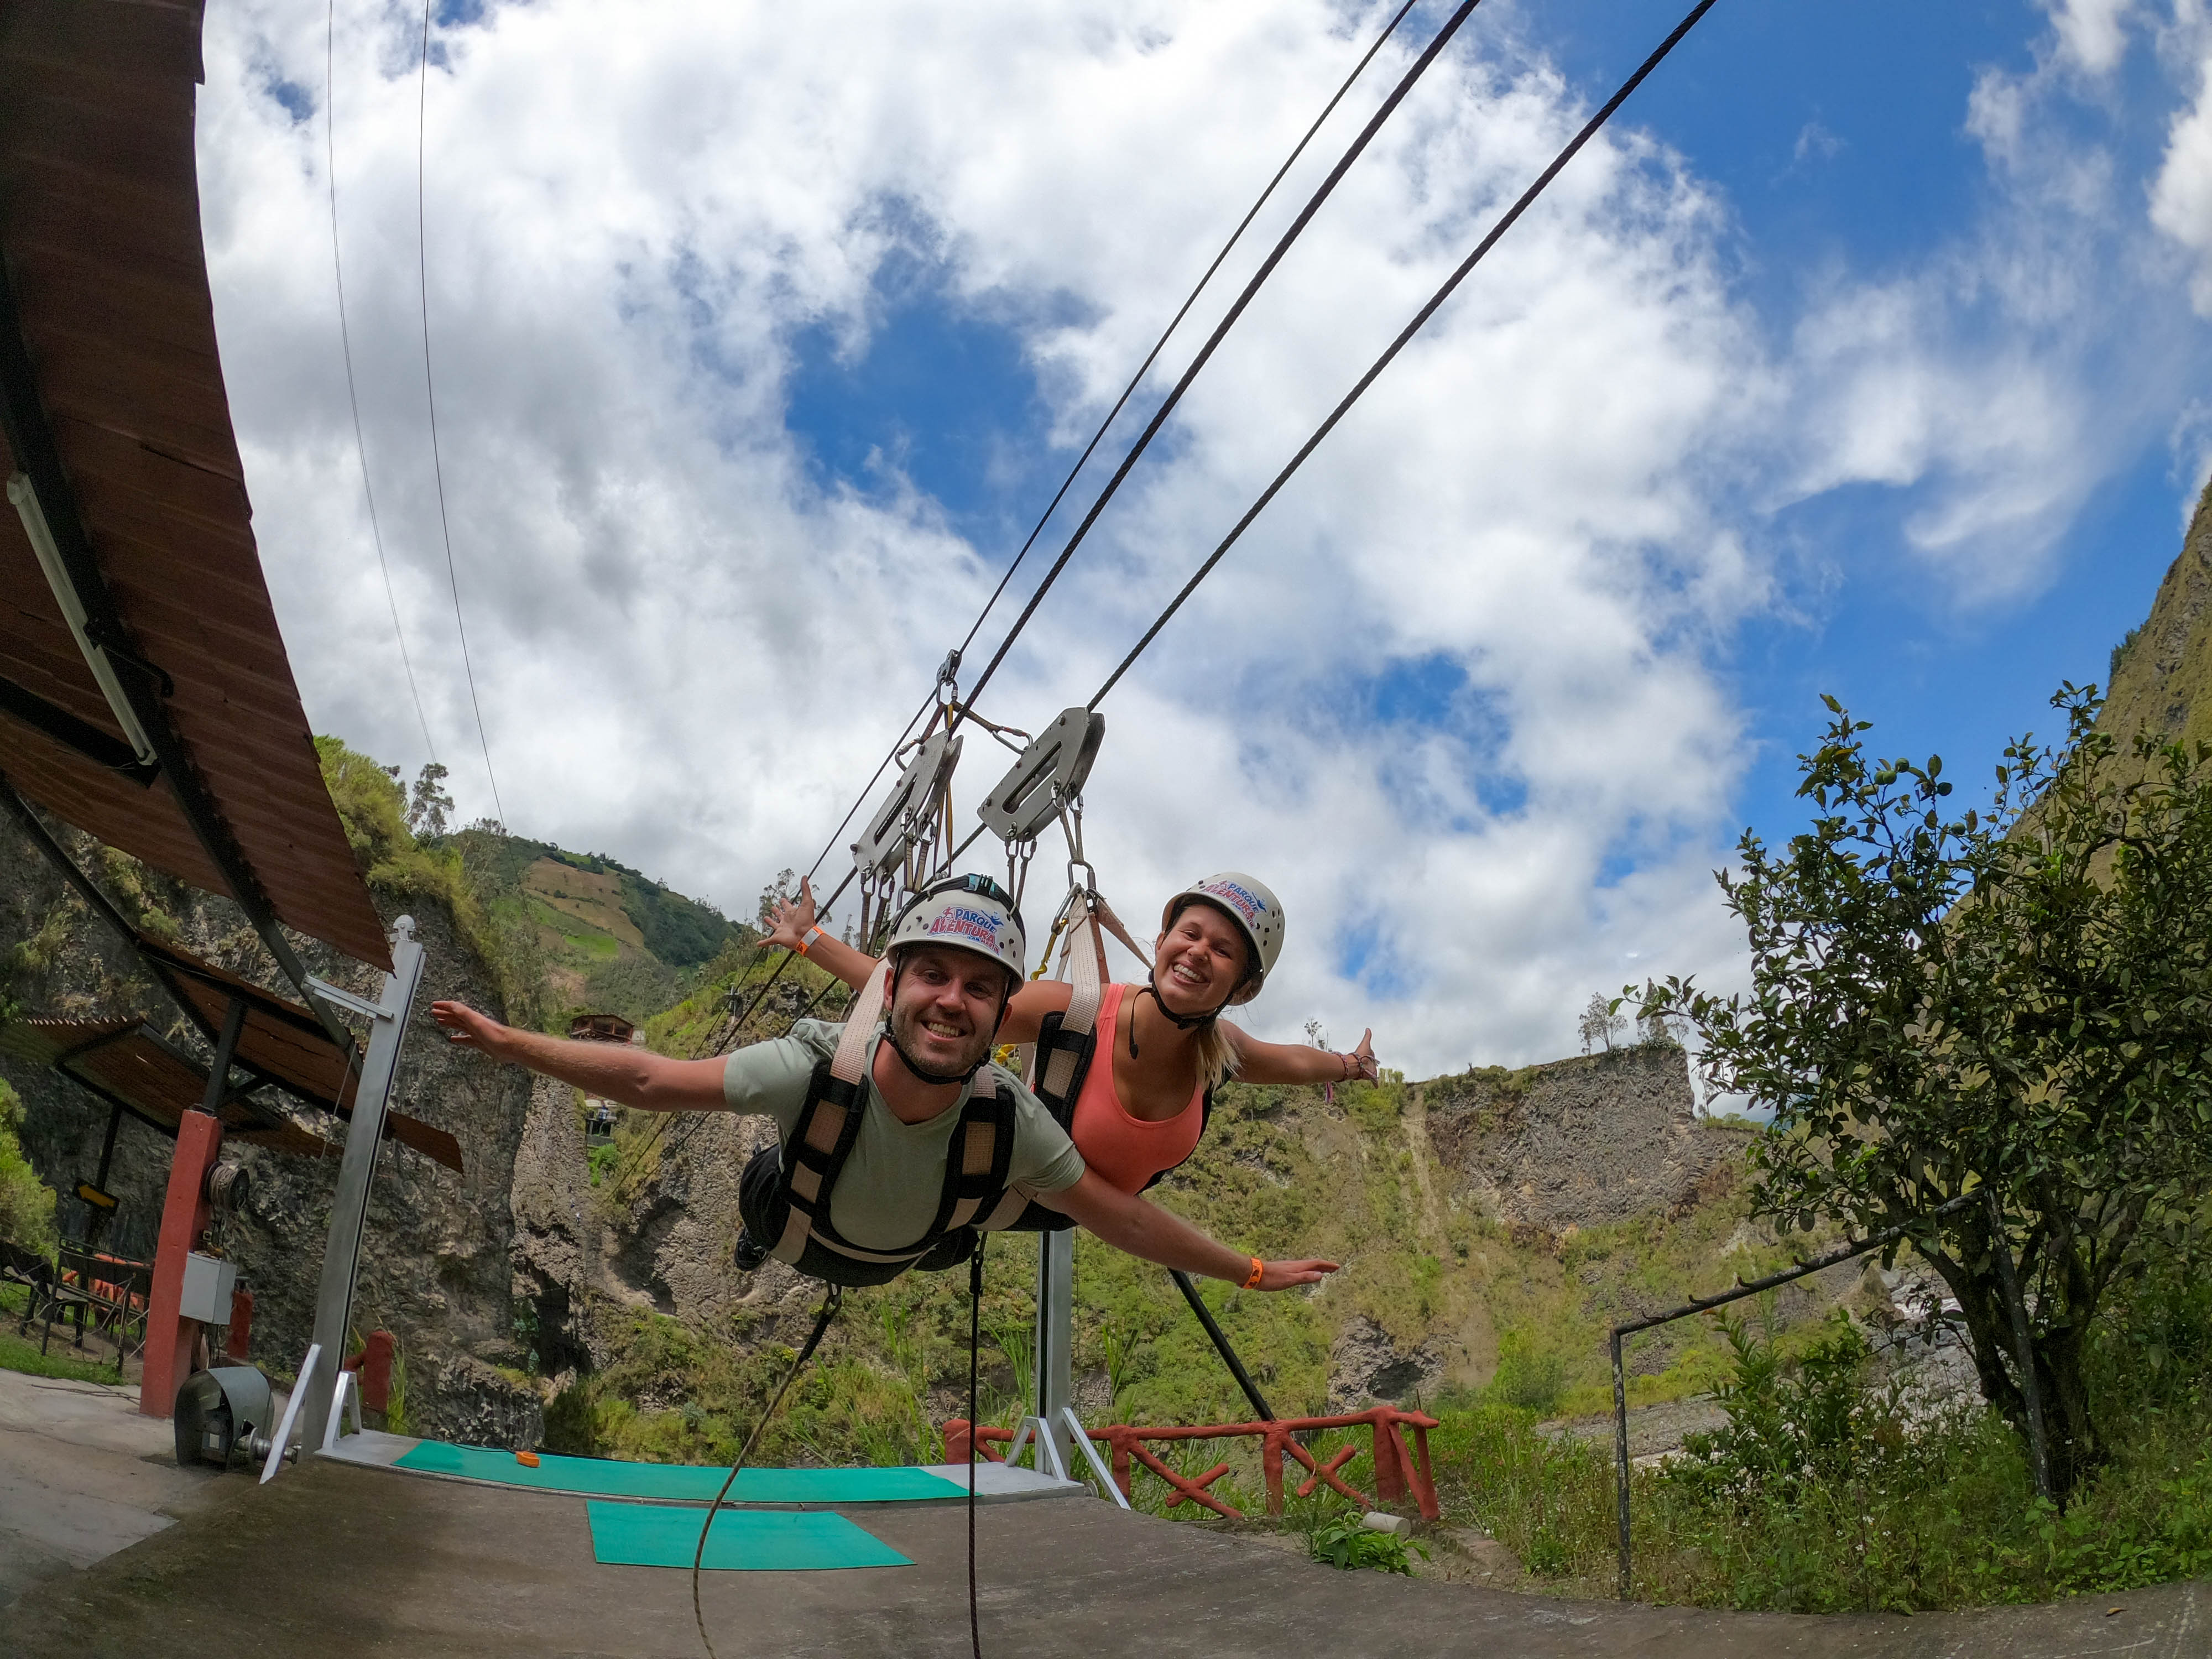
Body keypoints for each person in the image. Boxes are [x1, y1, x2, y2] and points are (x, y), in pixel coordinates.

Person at [430, 872, 1337, 1292]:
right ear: (895, 987)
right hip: (791, 1218)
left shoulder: (1010, 1120)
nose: (955, 1001)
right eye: (931, 979)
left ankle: (847, 1208)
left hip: (921, 1238)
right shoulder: (820, 1063)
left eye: (982, 990)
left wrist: (1252, 1270)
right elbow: (650, 1077)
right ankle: (772, 1215)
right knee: (810, 1107)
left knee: (961, 1205)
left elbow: (1130, 1216)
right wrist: (511, 1042)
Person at [763, 869, 1379, 1208]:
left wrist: (1350, 1065)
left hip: (1076, 1218)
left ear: (1240, 987)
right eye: (1189, 935)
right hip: (992, 1196)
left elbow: (1296, 1062)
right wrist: (810, 940)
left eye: (1221, 951)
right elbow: (924, 1005)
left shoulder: (1220, 1054)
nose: (1197, 953)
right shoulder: (1079, 1011)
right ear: (1161, 942)